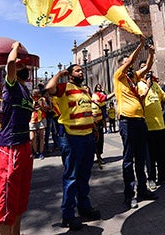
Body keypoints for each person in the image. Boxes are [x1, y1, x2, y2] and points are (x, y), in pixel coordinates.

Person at [46, 64, 101, 231]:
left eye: (81, 70)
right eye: (77, 70)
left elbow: (86, 110)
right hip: (71, 138)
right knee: (71, 177)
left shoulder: (84, 90)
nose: (81, 72)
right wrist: (59, 74)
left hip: (88, 136)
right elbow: (49, 88)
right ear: (70, 75)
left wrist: (94, 128)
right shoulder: (64, 87)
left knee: (84, 174)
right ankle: (68, 215)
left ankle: (84, 206)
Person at [0, 42, 34, 235]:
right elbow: (10, 63)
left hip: (24, 145)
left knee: (19, 199)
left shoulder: (26, 91)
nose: (22, 68)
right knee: (7, 198)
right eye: (19, 65)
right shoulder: (10, 87)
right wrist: (15, 46)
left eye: (23, 65)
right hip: (10, 147)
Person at [114, 36, 157, 209]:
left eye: (129, 63)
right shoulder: (119, 77)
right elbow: (132, 59)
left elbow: (147, 67)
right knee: (129, 159)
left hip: (140, 121)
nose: (130, 64)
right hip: (127, 122)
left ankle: (142, 190)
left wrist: (151, 54)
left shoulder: (133, 78)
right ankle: (129, 195)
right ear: (121, 66)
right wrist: (140, 45)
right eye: (126, 63)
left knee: (140, 158)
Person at [139, 70, 165, 191]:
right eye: (146, 72)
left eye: (149, 73)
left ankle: (164, 176)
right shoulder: (139, 85)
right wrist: (147, 85)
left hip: (160, 125)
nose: (148, 75)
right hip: (148, 126)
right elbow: (140, 99)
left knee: (163, 153)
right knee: (150, 155)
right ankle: (151, 178)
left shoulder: (156, 85)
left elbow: (164, 98)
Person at [92, 84, 110, 168]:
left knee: (100, 140)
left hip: (98, 121)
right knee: (92, 141)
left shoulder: (100, 95)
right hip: (90, 123)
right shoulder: (93, 97)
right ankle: (91, 157)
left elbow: (105, 98)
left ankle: (99, 156)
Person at [29, 89, 47, 161]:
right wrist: (33, 105)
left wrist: (41, 105)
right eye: (34, 94)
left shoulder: (42, 100)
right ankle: (35, 151)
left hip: (41, 118)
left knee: (41, 137)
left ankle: (41, 152)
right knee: (32, 138)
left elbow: (46, 109)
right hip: (32, 119)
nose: (36, 96)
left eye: (37, 94)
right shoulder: (29, 99)